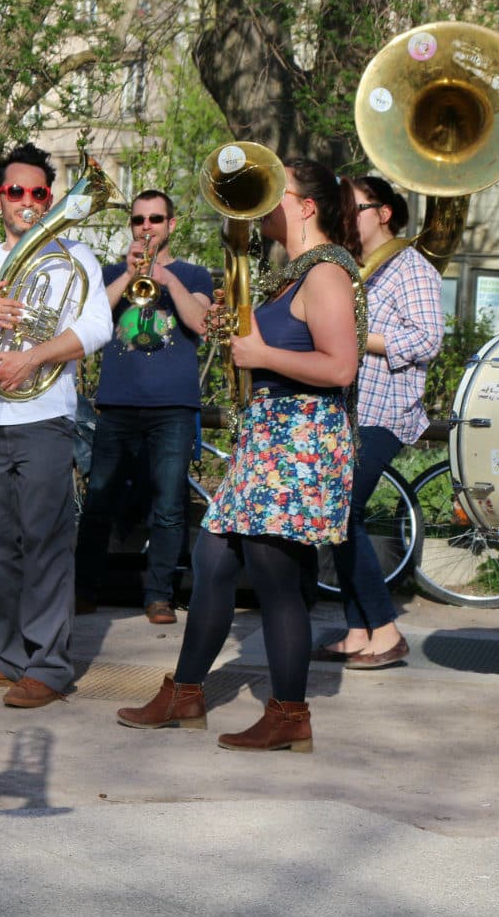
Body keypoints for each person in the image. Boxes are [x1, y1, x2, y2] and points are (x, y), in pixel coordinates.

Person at [117, 156, 362, 751]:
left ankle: (289, 716)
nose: (265, 203)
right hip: (269, 439)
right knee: (213, 559)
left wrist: (261, 354)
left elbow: (341, 367)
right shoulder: (292, 274)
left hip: (298, 441)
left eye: (279, 194)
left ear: (307, 207)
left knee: (275, 578)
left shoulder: (327, 272)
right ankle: (186, 693)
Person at [0, 142, 111, 709]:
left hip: (45, 418)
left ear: (51, 197)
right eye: (16, 191)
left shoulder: (76, 256)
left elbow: (97, 328)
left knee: (46, 544)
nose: (28, 201)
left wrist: (33, 357)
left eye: (38, 192)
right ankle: (10, 655)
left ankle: (50, 665)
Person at [313, 176, 441, 668]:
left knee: (343, 513)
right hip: (345, 410)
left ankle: (386, 631)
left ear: (384, 213)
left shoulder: (411, 266)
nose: (346, 216)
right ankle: (357, 630)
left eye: (355, 207)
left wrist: (353, 335)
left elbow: (427, 338)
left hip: (384, 411)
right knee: (340, 518)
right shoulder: (349, 266)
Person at [73, 190, 213, 622]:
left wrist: (166, 279)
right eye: (139, 220)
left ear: (172, 224)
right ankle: (84, 590)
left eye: (155, 219)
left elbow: (201, 323)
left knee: (168, 506)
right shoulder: (111, 273)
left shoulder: (194, 274)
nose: (146, 226)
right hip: (117, 405)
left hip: (172, 406)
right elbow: (88, 321)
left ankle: (159, 596)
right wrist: (128, 274)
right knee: (99, 501)